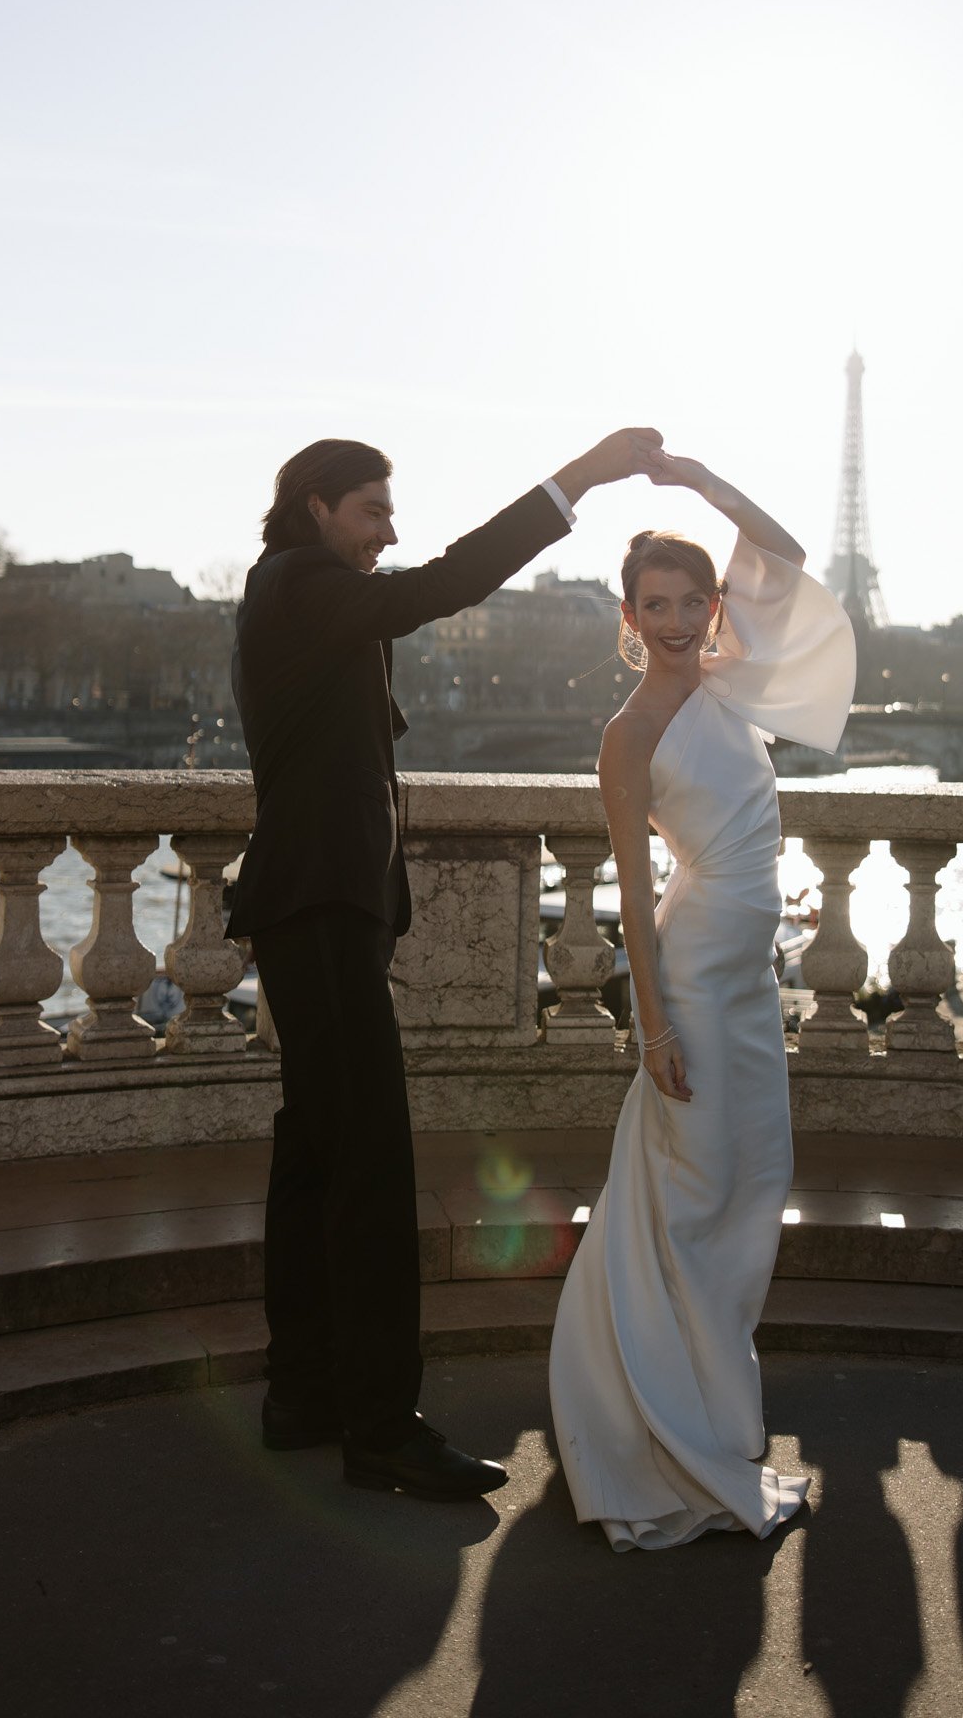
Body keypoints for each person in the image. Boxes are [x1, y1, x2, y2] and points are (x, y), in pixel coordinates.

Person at [227, 427, 663, 1501]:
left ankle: (304, 1390)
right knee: (370, 1166)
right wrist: (579, 478)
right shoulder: (300, 583)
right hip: (320, 907)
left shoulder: (301, 594)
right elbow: (450, 580)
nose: (388, 529)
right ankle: (380, 1425)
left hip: (318, 907)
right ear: (318, 505)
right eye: (373, 508)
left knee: (314, 1153)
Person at [549, 453, 856, 1549]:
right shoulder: (627, 734)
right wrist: (650, 1020)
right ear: (627, 616)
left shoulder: (729, 682)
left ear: (710, 607)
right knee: (698, 1198)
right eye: (656, 606)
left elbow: (789, 550)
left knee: (744, 1190)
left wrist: (687, 476)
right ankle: (668, 1429)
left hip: (748, 982)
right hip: (689, 978)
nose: (676, 621)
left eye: (693, 603)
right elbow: (633, 892)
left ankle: (706, 1415)